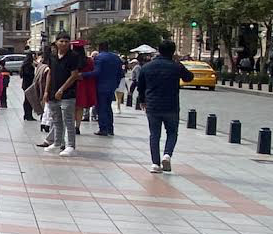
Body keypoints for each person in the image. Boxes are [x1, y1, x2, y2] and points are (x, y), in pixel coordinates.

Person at [136, 39, 194, 173]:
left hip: (152, 105)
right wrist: (179, 63)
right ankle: (167, 155)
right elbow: (189, 78)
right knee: (172, 132)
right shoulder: (176, 66)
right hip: (171, 105)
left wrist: (142, 100)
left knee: (154, 134)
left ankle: (155, 164)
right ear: (173, 52)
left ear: (159, 50)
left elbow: (141, 86)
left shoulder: (147, 66)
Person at [44, 33, 81, 156]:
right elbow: (49, 73)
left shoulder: (73, 56)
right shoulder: (52, 56)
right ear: (56, 43)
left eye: (66, 41)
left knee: (68, 120)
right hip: (53, 92)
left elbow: (74, 75)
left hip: (68, 94)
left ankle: (70, 145)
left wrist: (62, 89)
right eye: (61, 41)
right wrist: (46, 91)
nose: (64, 43)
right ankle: (56, 142)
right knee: (56, 119)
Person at [81, 41, 124, 136]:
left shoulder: (99, 57)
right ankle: (110, 128)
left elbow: (96, 72)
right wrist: (115, 84)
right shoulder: (116, 58)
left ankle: (103, 128)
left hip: (100, 86)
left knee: (101, 107)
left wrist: (83, 75)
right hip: (111, 87)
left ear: (99, 48)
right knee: (108, 107)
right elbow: (121, 74)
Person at [20, 51, 37, 120]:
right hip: (28, 84)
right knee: (29, 100)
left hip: (26, 84)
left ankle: (26, 115)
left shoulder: (25, 64)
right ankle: (28, 115)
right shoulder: (28, 65)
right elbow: (28, 74)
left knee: (27, 100)